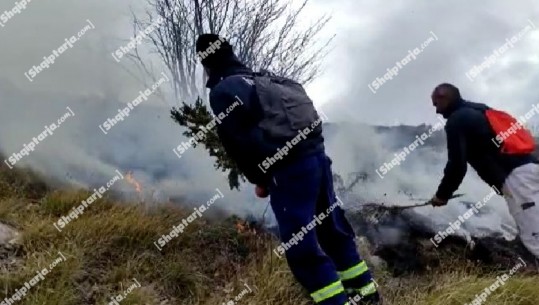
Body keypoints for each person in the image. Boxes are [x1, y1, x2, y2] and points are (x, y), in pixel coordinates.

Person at [195, 33, 382, 305]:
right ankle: (366, 295)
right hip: (319, 161)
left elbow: (239, 144)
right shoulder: (268, 81)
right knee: (333, 231)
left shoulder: (225, 90)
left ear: (206, 63)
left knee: (302, 248)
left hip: (290, 173)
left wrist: (260, 178)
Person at [428, 83, 539, 259]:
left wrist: (442, 195)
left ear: (444, 98)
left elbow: (457, 165)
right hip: (532, 169)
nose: (437, 111)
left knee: (535, 239)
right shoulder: (480, 110)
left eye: (436, 104)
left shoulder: (456, 121)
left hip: (518, 180)